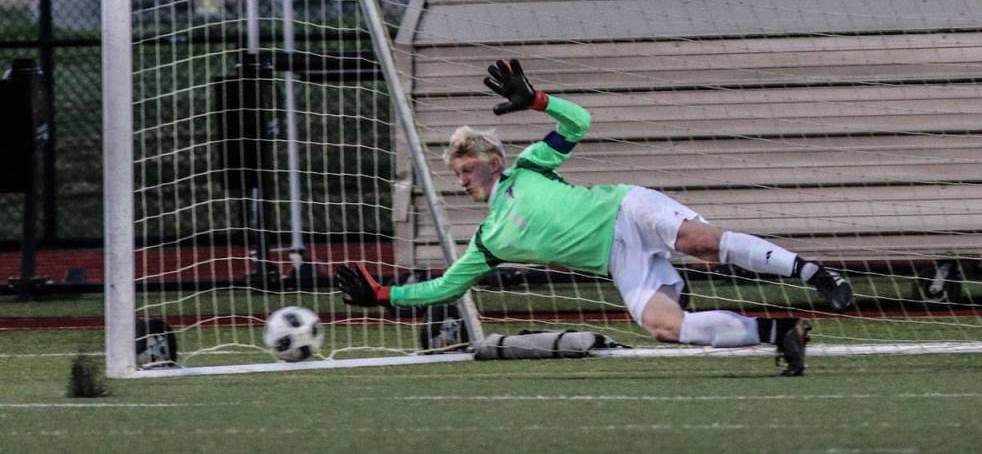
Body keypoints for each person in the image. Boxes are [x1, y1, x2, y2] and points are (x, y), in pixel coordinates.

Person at [336, 59, 854, 376]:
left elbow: (578, 122)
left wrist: (538, 101)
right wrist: (384, 295)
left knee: (699, 242)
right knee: (663, 327)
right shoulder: (488, 240)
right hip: (617, 258)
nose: (462, 180)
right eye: (457, 175)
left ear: (493, 162)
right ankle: (781, 334)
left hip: (626, 209)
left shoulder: (529, 166)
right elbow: (447, 286)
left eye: (467, 169)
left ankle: (816, 274)